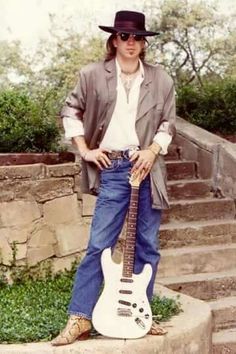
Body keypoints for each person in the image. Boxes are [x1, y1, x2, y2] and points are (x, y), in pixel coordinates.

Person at [52, 10, 176, 346]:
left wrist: (152, 151)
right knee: (99, 244)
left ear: (144, 42)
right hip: (114, 169)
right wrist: (85, 150)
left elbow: (168, 123)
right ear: (114, 40)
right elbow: (70, 110)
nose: (131, 42)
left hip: (147, 167)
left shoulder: (161, 79)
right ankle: (80, 318)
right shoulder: (92, 74)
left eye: (137, 37)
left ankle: (140, 313)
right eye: (124, 36)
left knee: (147, 247)